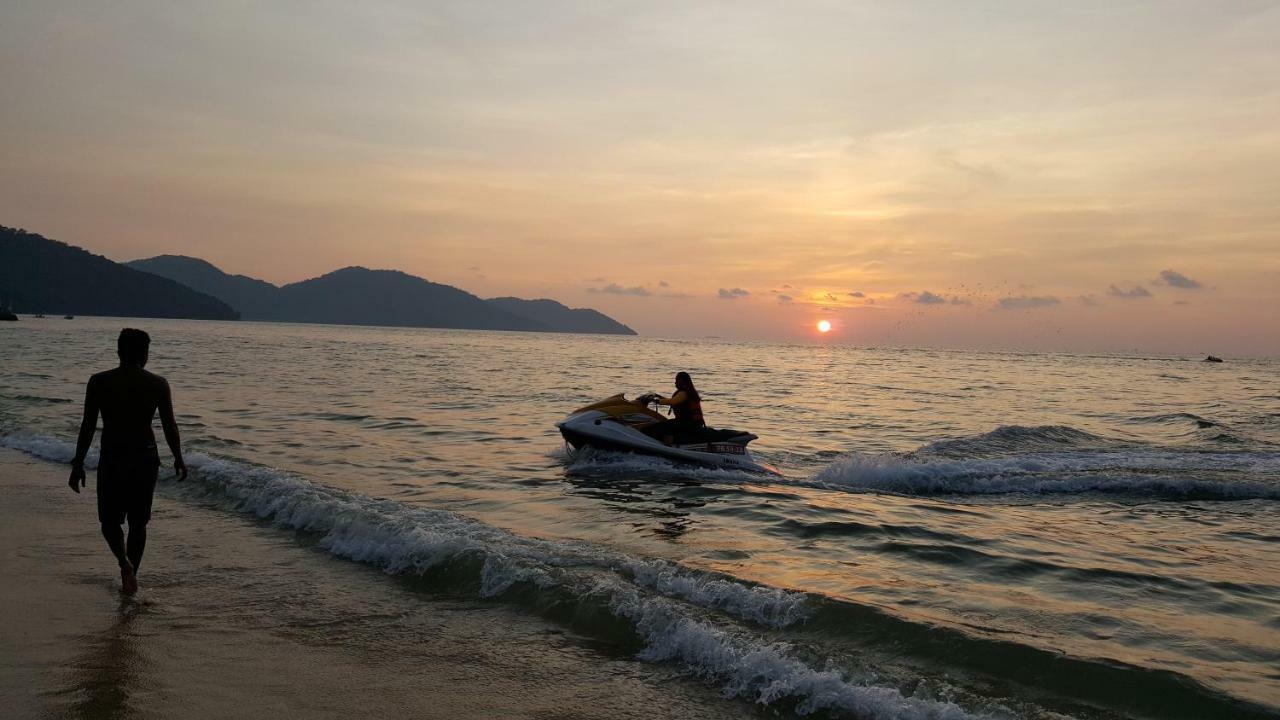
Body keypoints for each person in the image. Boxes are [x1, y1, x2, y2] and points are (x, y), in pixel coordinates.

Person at [68, 328, 187, 596]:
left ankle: (124, 562)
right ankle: (132, 573)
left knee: (109, 522)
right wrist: (178, 457)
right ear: (145, 354)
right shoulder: (158, 384)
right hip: (145, 457)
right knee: (138, 523)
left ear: (118, 351)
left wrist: (78, 463)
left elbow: (88, 426)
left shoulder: (99, 382)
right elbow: (170, 425)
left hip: (113, 457)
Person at [639, 371, 705, 445]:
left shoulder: (684, 393)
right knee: (665, 425)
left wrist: (655, 401)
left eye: (677, 380)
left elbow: (672, 401)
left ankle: (666, 447)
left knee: (659, 427)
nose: (675, 383)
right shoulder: (689, 392)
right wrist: (659, 397)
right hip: (691, 423)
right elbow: (674, 401)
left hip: (687, 424)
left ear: (682, 381)